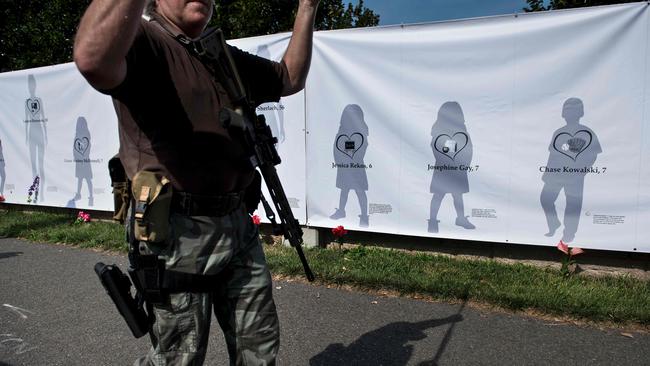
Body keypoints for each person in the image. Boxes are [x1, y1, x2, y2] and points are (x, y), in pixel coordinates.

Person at [74, 0, 319, 365]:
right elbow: (93, 59)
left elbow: (289, 78)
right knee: (178, 357)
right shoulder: (144, 39)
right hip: (175, 231)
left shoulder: (218, 54)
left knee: (259, 347)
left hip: (236, 223)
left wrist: (306, 8)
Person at [540, 98, 601, 243]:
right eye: (567, 110)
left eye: (573, 110)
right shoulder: (559, 132)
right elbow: (552, 155)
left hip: (575, 176)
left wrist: (582, 170)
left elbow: (594, 154)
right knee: (545, 199)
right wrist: (547, 175)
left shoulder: (587, 132)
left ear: (580, 112)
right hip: (555, 174)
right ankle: (554, 223)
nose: (569, 113)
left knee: (573, 204)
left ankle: (569, 233)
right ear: (563, 113)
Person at [428, 101, 475, 233]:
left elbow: (469, 148)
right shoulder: (438, 130)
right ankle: (432, 221)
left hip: (457, 168)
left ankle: (460, 218)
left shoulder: (462, 130)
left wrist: (464, 165)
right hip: (444, 169)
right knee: (438, 194)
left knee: (458, 195)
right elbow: (436, 148)